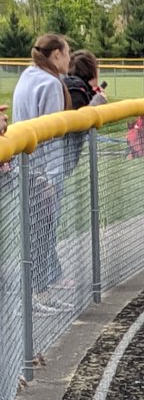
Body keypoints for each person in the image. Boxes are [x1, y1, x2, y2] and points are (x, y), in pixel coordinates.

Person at [11, 34, 72, 304]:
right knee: (42, 233)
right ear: (56, 54)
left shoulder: (28, 74)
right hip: (41, 173)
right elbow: (51, 137)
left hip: (24, 168)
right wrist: (51, 178)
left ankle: (39, 292)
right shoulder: (50, 83)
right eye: (67, 52)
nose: (69, 59)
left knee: (34, 233)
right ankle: (40, 295)